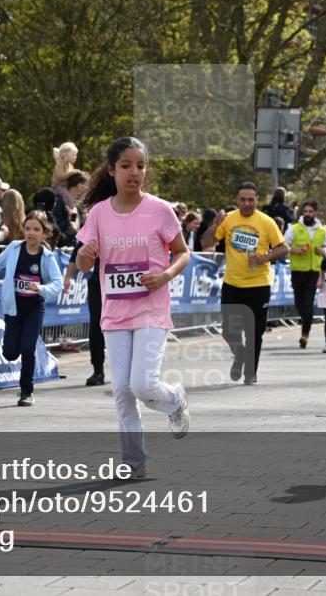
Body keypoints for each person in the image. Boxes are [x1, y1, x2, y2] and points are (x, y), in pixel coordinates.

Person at [75, 136, 192, 476]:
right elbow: (84, 263)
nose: (134, 172)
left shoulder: (159, 209)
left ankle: (174, 400)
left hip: (151, 310)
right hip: (115, 312)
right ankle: (133, 463)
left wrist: (165, 274)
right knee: (123, 391)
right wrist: (85, 256)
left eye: (140, 166)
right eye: (126, 165)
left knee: (143, 385)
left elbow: (183, 252)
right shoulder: (98, 214)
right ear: (111, 170)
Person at [0, 211, 62, 405]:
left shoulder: (47, 257)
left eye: (36, 229)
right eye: (28, 229)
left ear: (44, 233)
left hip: (34, 308)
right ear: (23, 230)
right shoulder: (15, 248)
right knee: (10, 353)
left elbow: (57, 283)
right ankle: (16, 363)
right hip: (14, 307)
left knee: (28, 349)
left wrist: (41, 288)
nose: (31, 233)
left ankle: (26, 392)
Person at [201, 181, 288, 384]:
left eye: (251, 199)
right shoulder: (229, 219)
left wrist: (264, 257)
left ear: (257, 200)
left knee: (254, 333)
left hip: (259, 285)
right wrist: (215, 224)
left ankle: (251, 373)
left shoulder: (266, 222)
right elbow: (206, 243)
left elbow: (284, 248)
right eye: (243, 200)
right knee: (228, 330)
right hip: (233, 284)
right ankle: (239, 355)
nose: (247, 203)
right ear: (237, 200)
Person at [286, 200, 326, 349]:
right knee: (299, 303)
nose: (308, 214)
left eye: (310, 212)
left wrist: (322, 251)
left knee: (308, 302)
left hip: (313, 271)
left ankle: (305, 334)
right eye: (305, 212)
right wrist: (296, 250)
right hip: (297, 270)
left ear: (315, 213)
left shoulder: (322, 231)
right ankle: (306, 322)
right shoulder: (294, 228)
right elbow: (285, 245)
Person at [63, 242, 105, 386]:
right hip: (98, 283)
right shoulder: (97, 221)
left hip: (126, 282)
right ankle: (98, 370)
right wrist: (68, 276)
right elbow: (78, 249)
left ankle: (132, 369)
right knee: (96, 326)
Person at [53, 170, 88, 248]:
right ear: (79, 185)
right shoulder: (60, 201)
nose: (87, 188)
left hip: (72, 248)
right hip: (62, 250)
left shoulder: (75, 205)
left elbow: (74, 224)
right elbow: (56, 226)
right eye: (86, 185)